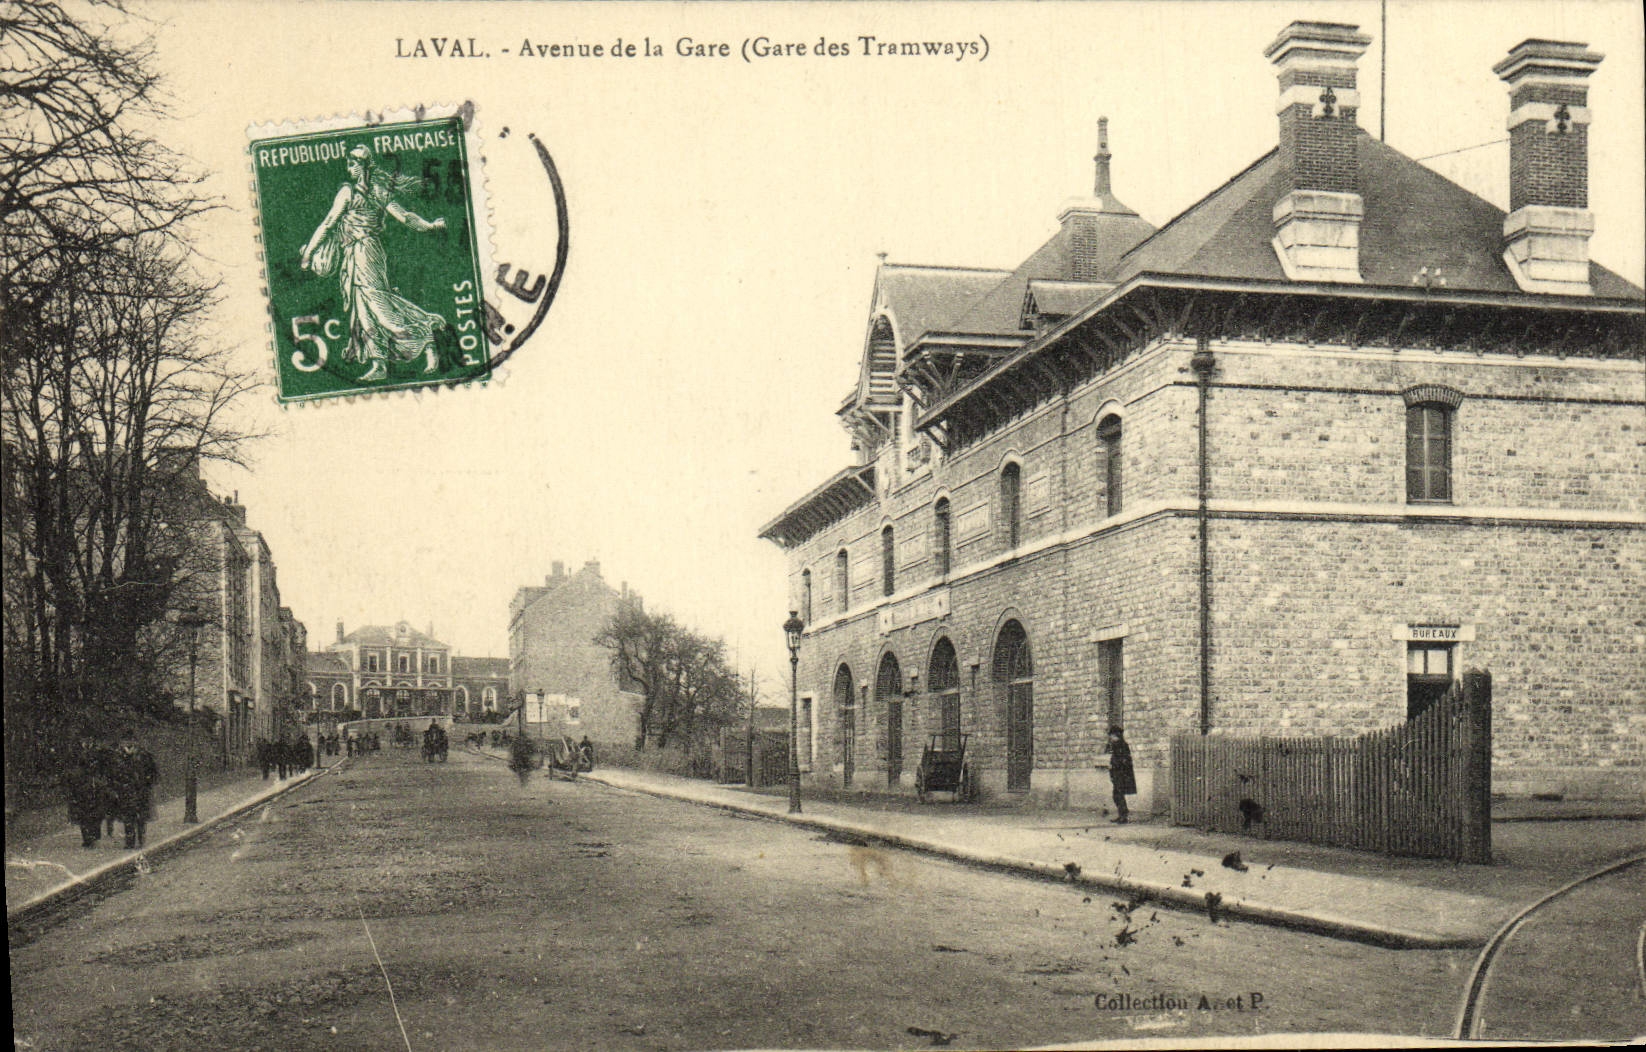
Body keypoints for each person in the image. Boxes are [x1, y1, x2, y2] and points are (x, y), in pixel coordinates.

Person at [299, 144, 448, 381]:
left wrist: (308, 253)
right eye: (349, 164)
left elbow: (328, 223)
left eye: (353, 164)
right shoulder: (373, 190)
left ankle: (426, 334)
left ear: (363, 166)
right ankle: (379, 364)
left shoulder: (352, 192)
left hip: (365, 252)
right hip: (358, 253)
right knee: (364, 309)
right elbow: (405, 217)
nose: (349, 168)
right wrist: (429, 225)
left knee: (379, 305)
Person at [111, 733, 159, 849]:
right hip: (125, 790)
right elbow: (112, 773)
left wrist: (148, 783)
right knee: (128, 817)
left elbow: (153, 772)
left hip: (141, 790)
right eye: (125, 741)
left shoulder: (144, 755)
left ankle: (141, 839)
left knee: (141, 817)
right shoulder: (117, 756)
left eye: (130, 740)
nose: (128, 743)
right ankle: (129, 842)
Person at [62, 735, 109, 848]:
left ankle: (94, 835)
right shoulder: (75, 751)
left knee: (96, 813)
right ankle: (87, 838)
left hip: (96, 785)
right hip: (80, 785)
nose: (86, 741)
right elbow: (70, 766)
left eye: (88, 739)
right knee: (83, 814)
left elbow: (104, 767)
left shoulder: (99, 752)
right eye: (84, 739)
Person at [1104, 726, 1136, 824]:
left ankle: (1123, 816)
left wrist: (1114, 766)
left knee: (1118, 795)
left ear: (1116, 735)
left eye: (1112, 736)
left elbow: (1124, 760)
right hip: (1117, 774)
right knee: (1117, 795)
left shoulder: (1122, 745)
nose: (1111, 738)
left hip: (1122, 774)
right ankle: (1122, 814)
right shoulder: (1116, 745)